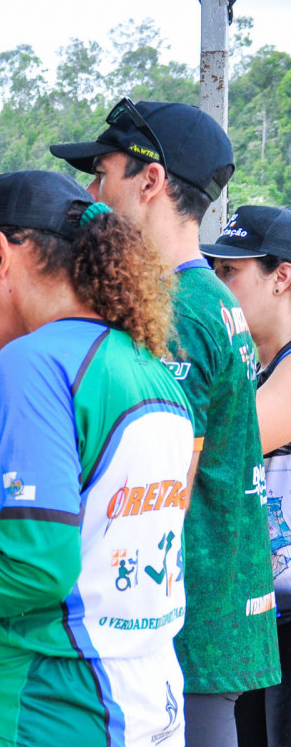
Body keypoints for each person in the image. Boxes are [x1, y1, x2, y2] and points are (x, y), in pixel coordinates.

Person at [0, 169, 194, 747]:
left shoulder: (31, 365)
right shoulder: (146, 364)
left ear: (0, 254)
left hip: (54, 704)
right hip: (146, 695)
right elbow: (101, 550)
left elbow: (35, 569)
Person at [51, 99, 279, 746]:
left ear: (150, 181)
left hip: (189, 617)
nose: (94, 196)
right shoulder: (208, 296)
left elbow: (161, 486)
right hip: (211, 608)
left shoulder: (176, 312)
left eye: (103, 175)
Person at [202, 206, 291, 747]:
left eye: (230, 272)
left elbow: (231, 446)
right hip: (263, 614)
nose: (216, 285)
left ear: (282, 277)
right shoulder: (261, 368)